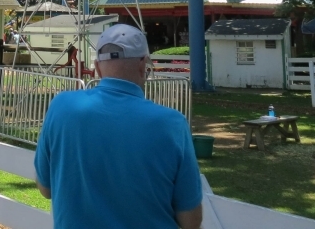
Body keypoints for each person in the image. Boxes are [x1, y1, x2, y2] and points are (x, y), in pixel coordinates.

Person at [35, 24, 202, 229]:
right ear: (143, 65)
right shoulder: (172, 124)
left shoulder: (61, 107)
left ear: (97, 68)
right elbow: (191, 220)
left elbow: (45, 188)